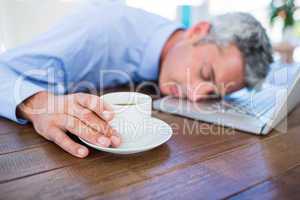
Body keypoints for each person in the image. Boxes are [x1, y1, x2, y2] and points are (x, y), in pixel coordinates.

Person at [0, 1, 273, 158]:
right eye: (205, 74)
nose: (194, 95)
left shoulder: (172, 60)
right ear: (198, 31)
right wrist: (38, 103)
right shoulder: (101, 27)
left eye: (213, 93)